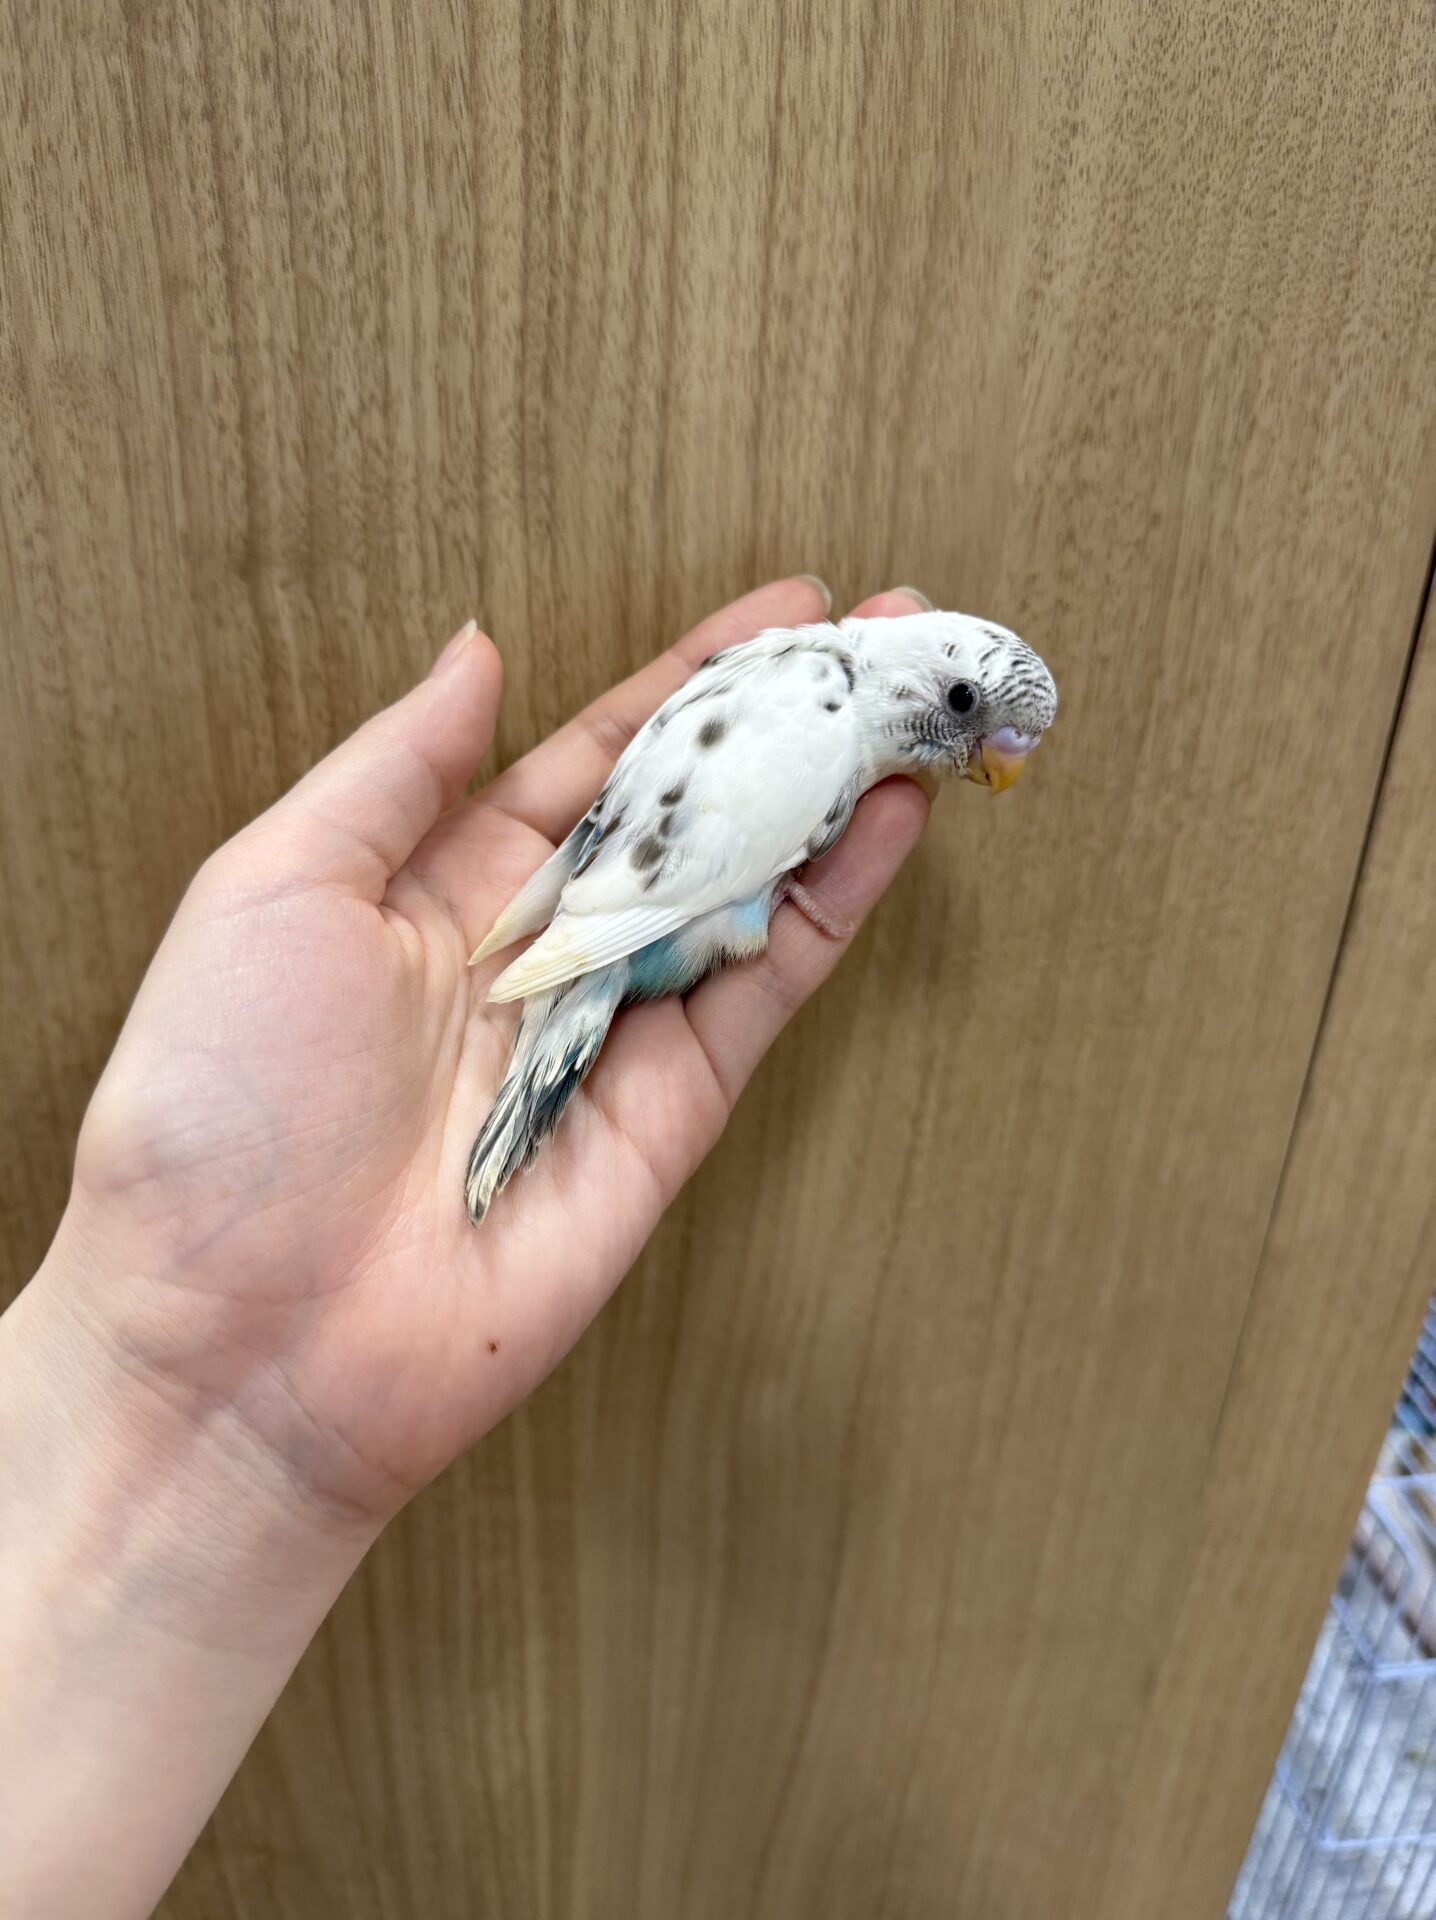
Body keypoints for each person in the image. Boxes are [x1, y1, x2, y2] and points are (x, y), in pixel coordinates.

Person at [0, 578, 930, 1919]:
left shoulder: (794, 678)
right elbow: (713, 897)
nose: (978, 756)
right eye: (970, 713)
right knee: (574, 1056)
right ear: (921, 678)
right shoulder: (820, 727)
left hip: (634, 896)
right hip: (646, 931)